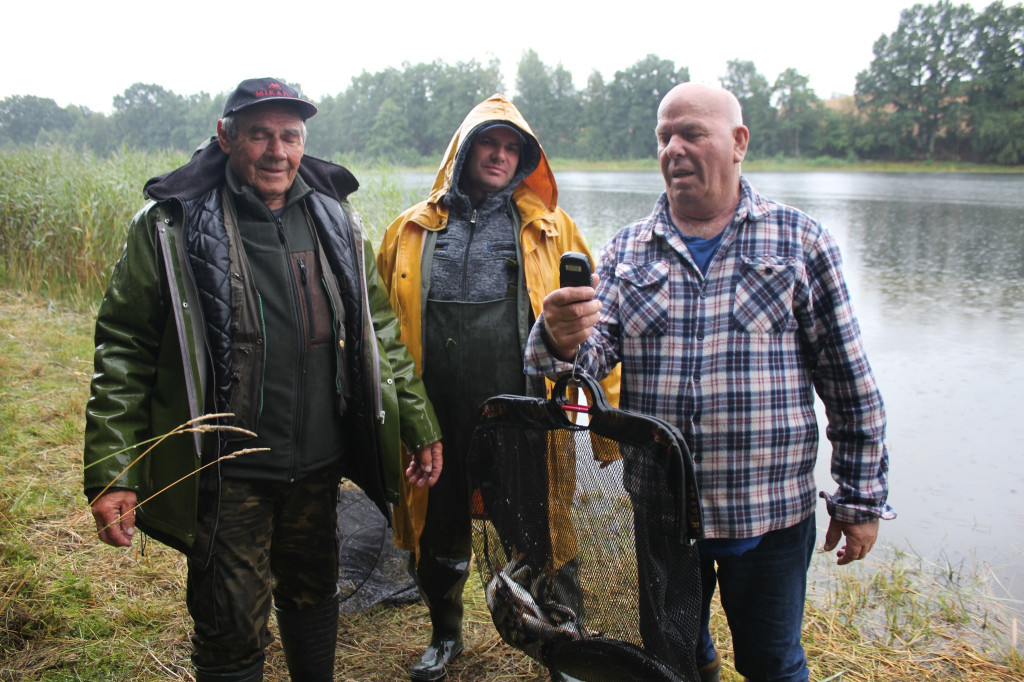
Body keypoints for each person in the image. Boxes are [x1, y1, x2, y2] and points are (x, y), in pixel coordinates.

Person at [526, 82, 895, 682]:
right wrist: (560, 338)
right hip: (663, 512)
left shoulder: (800, 242)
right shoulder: (628, 248)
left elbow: (849, 384)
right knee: (674, 656)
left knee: (773, 663)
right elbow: (586, 368)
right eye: (663, 136)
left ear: (738, 142)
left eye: (691, 133)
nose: (673, 148)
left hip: (770, 515)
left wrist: (859, 500)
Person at [83, 77, 443, 682]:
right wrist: (114, 471)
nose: (277, 151)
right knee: (229, 623)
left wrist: (418, 420)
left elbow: (380, 332)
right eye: (260, 134)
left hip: (319, 465)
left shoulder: (336, 217)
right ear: (226, 137)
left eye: (291, 135)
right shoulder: (169, 224)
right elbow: (125, 346)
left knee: (313, 594)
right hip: (228, 471)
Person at [377, 93, 619, 682]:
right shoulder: (408, 231)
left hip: (524, 415)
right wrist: (397, 422)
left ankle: (566, 649)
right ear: (464, 149)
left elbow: (597, 324)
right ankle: (446, 635)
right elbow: (380, 335)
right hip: (435, 416)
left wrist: (602, 425)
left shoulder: (553, 229)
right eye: (491, 142)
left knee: (545, 537)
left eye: (514, 148)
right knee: (438, 529)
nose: (501, 156)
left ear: (526, 159)